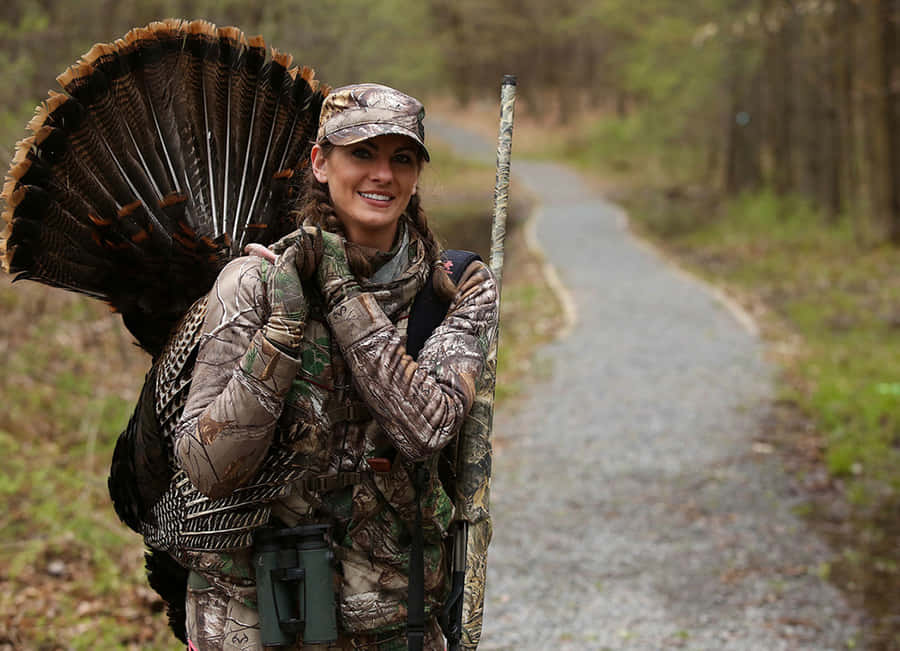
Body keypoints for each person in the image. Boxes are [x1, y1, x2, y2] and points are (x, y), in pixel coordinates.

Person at [171, 83, 500, 650]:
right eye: (362, 153)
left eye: (402, 158)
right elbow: (207, 467)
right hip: (250, 614)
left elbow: (426, 429)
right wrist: (278, 337)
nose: (383, 174)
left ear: (417, 174)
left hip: (393, 621)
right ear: (321, 163)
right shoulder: (252, 283)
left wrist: (338, 290)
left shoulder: (456, 286)